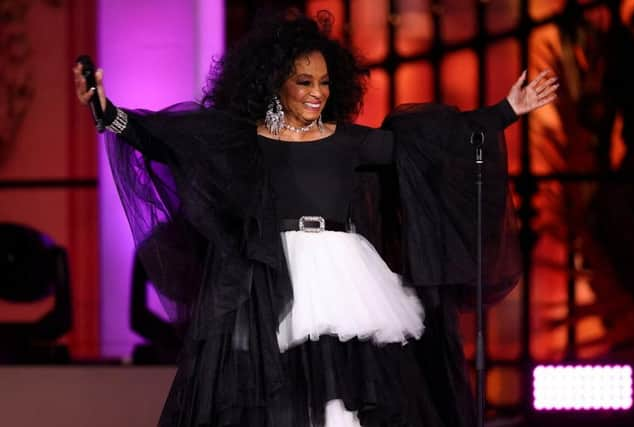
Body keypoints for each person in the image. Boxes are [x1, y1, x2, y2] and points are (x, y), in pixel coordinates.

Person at [73, 10, 557, 427]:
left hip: (345, 275)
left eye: (324, 82)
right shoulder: (245, 141)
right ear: (273, 82)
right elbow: (166, 140)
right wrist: (106, 110)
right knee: (274, 403)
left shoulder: (348, 141)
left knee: (343, 403)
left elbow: (430, 147)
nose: (317, 93)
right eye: (304, 81)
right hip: (267, 282)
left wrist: (505, 111)